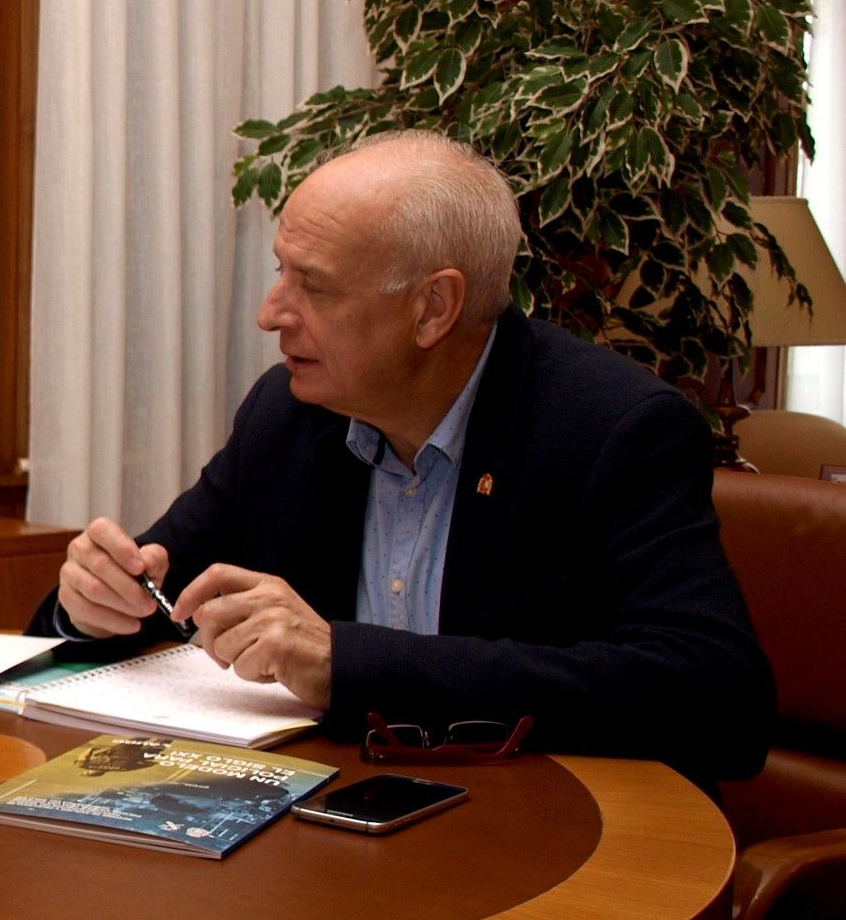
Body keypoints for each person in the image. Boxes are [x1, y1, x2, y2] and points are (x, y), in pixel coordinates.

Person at [40, 130, 770, 787]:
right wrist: (91, 606)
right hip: (328, 830)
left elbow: (720, 701)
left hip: (539, 835)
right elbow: (158, 595)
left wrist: (351, 663)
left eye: (314, 286)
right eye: (281, 271)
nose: (271, 313)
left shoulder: (610, 429)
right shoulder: (289, 416)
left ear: (433, 308)